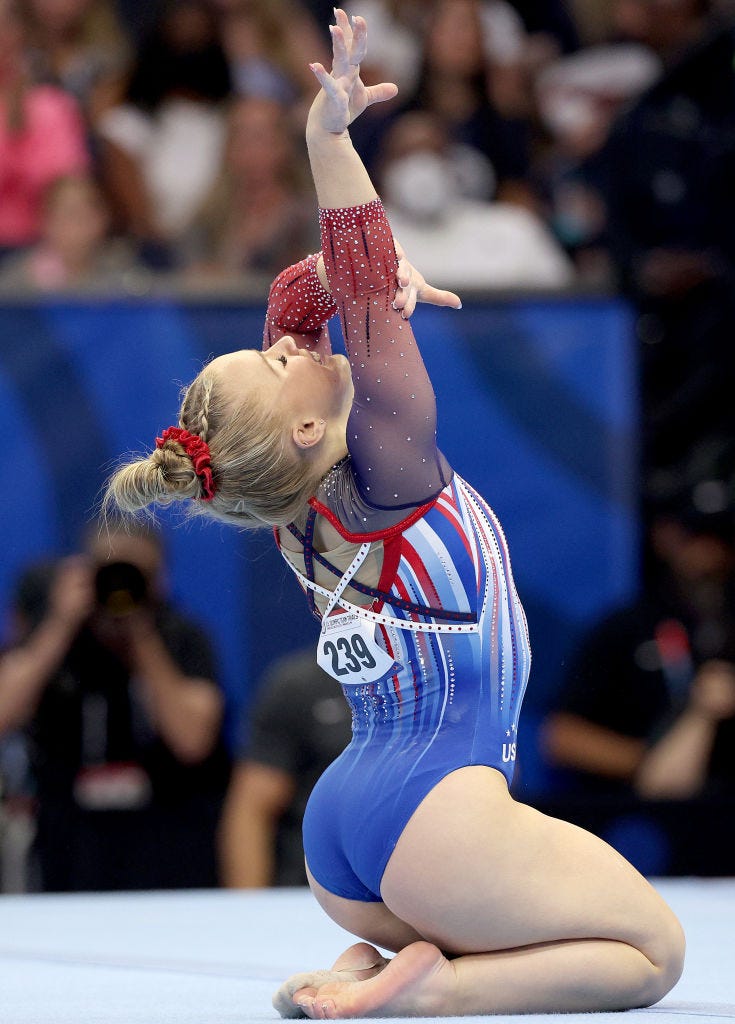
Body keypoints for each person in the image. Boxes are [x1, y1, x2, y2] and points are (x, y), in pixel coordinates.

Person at [104, 10, 684, 1016]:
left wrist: (344, 281)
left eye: (275, 347)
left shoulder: (289, 502)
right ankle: (432, 991)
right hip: (438, 810)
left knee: (506, 911)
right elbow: (357, 282)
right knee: (654, 952)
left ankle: (381, 959)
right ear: (297, 429)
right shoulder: (393, 458)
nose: (289, 343)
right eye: (279, 364)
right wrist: (328, 143)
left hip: (349, 840)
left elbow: (304, 292)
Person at [0, 521, 231, 891]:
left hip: (169, 858)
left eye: (136, 574)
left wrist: (141, 637)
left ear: (161, 580)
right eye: (109, 570)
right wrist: (60, 622)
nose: (119, 584)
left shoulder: (182, 638)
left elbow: (192, 740)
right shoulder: (56, 640)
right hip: (67, 859)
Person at [219, 649, 351, 888]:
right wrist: (247, 912)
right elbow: (253, 810)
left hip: (417, 890)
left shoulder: (435, 683)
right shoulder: (300, 685)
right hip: (310, 894)